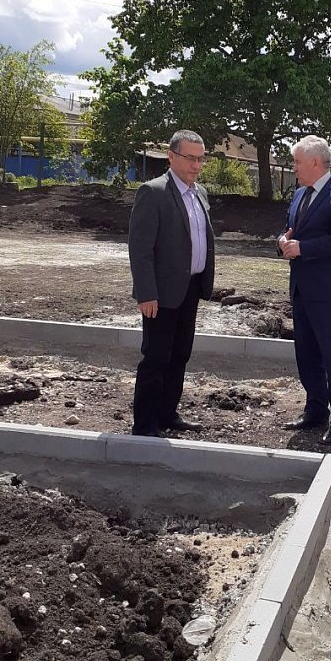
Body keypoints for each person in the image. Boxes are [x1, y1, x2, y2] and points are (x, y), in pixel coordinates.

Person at [128, 130, 215, 437]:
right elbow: (140, 249)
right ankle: (145, 424)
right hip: (161, 293)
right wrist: (146, 293)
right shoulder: (153, 193)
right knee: (156, 357)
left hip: (190, 288)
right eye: (190, 158)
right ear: (171, 156)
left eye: (200, 159)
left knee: (180, 354)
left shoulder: (200, 193)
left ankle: (167, 414)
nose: (196, 165)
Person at [278, 135, 331, 445]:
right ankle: (315, 410)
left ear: (314, 162)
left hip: (327, 290)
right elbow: (291, 231)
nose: (294, 167)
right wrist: (283, 242)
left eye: (297, 162)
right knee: (306, 353)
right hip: (301, 287)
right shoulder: (300, 194)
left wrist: (304, 248)